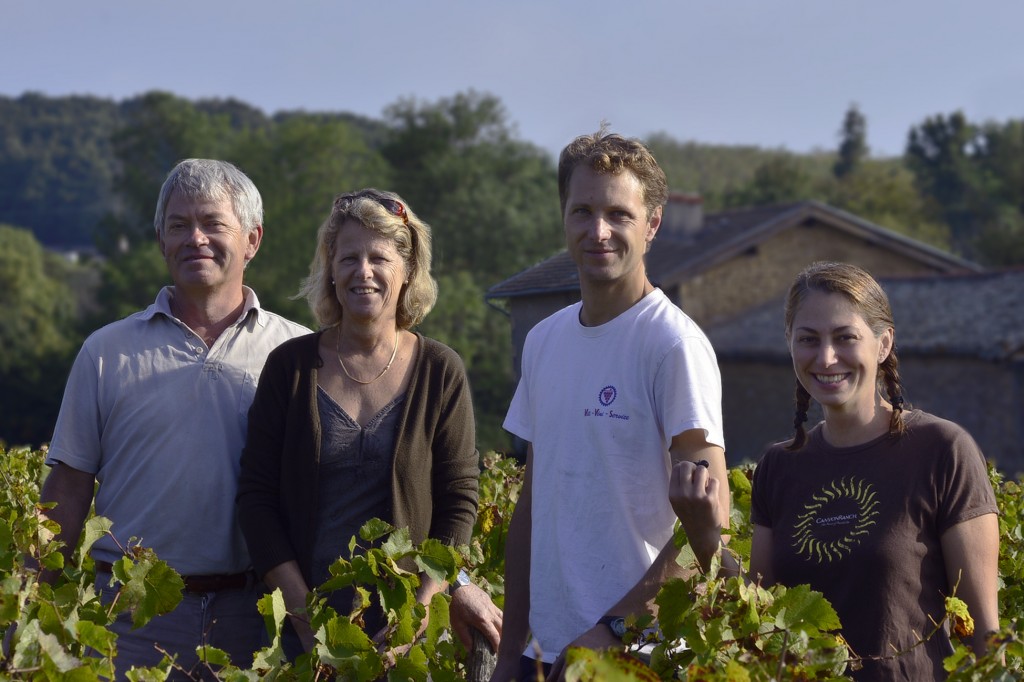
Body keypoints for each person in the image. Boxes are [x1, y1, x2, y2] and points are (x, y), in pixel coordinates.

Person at [40, 159, 311, 678]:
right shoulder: (106, 352)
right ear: (161, 240)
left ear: (252, 240)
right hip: (131, 618)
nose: (196, 239)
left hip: (255, 617)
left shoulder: (296, 352)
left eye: (213, 223)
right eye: (179, 225)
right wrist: (31, 607)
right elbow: (69, 487)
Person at [671, 261, 1000, 680]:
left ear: (883, 345)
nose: (826, 357)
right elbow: (761, 620)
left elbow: (984, 636)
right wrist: (703, 536)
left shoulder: (942, 450)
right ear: (790, 345)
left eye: (845, 337)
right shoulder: (779, 466)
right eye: (808, 339)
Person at [492, 130, 730, 682]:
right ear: (564, 218)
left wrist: (615, 629)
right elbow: (533, 504)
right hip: (544, 654)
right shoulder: (544, 341)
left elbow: (709, 523)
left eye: (619, 215)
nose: (598, 231)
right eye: (583, 211)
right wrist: (511, 651)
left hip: (633, 658)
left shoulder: (673, 346)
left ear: (652, 225)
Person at [236, 188, 500, 661]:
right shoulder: (289, 369)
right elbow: (257, 499)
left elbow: (459, 502)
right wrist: (304, 618)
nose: (364, 272)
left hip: (404, 635)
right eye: (348, 257)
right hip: (301, 634)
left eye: (379, 258)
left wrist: (415, 616)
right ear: (331, 271)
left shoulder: (440, 371)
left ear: (407, 272)